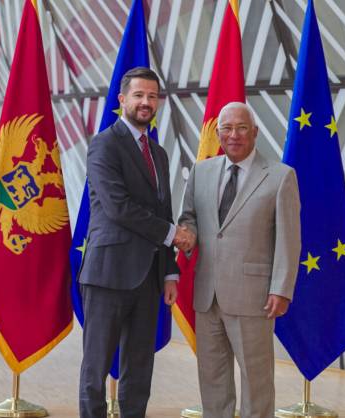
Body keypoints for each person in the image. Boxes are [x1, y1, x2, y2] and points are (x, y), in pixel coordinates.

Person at [78, 67, 190, 418]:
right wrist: (173, 234)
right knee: (96, 367)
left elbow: (164, 210)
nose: (146, 102)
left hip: (149, 278)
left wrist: (169, 272)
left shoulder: (158, 153)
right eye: (139, 95)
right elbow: (118, 207)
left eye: (152, 96)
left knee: (139, 368)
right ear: (122, 99)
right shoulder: (104, 144)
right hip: (108, 274)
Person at [178, 102, 301, 418]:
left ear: (255, 132)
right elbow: (189, 218)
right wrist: (188, 234)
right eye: (227, 128)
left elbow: (289, 238)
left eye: (242, 128)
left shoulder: (280, 176)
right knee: (212, 379)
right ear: (218, 133)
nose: (234, 135)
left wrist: (281, 289)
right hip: (207, 295)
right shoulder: (201, 172)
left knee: (256, 381)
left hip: (254, 298)